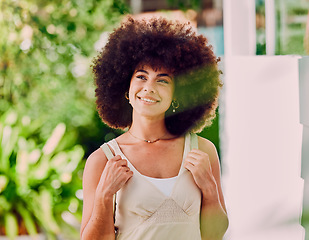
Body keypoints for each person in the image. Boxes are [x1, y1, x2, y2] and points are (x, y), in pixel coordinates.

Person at [80, 16, 228, 240]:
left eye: (162, 80)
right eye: (141, 76)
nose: (149, 88)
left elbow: (214, 235)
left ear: (177, 93)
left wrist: (209, 189)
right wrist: (104, 195)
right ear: (125, 88)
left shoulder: (202, 151)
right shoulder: (103, 161)